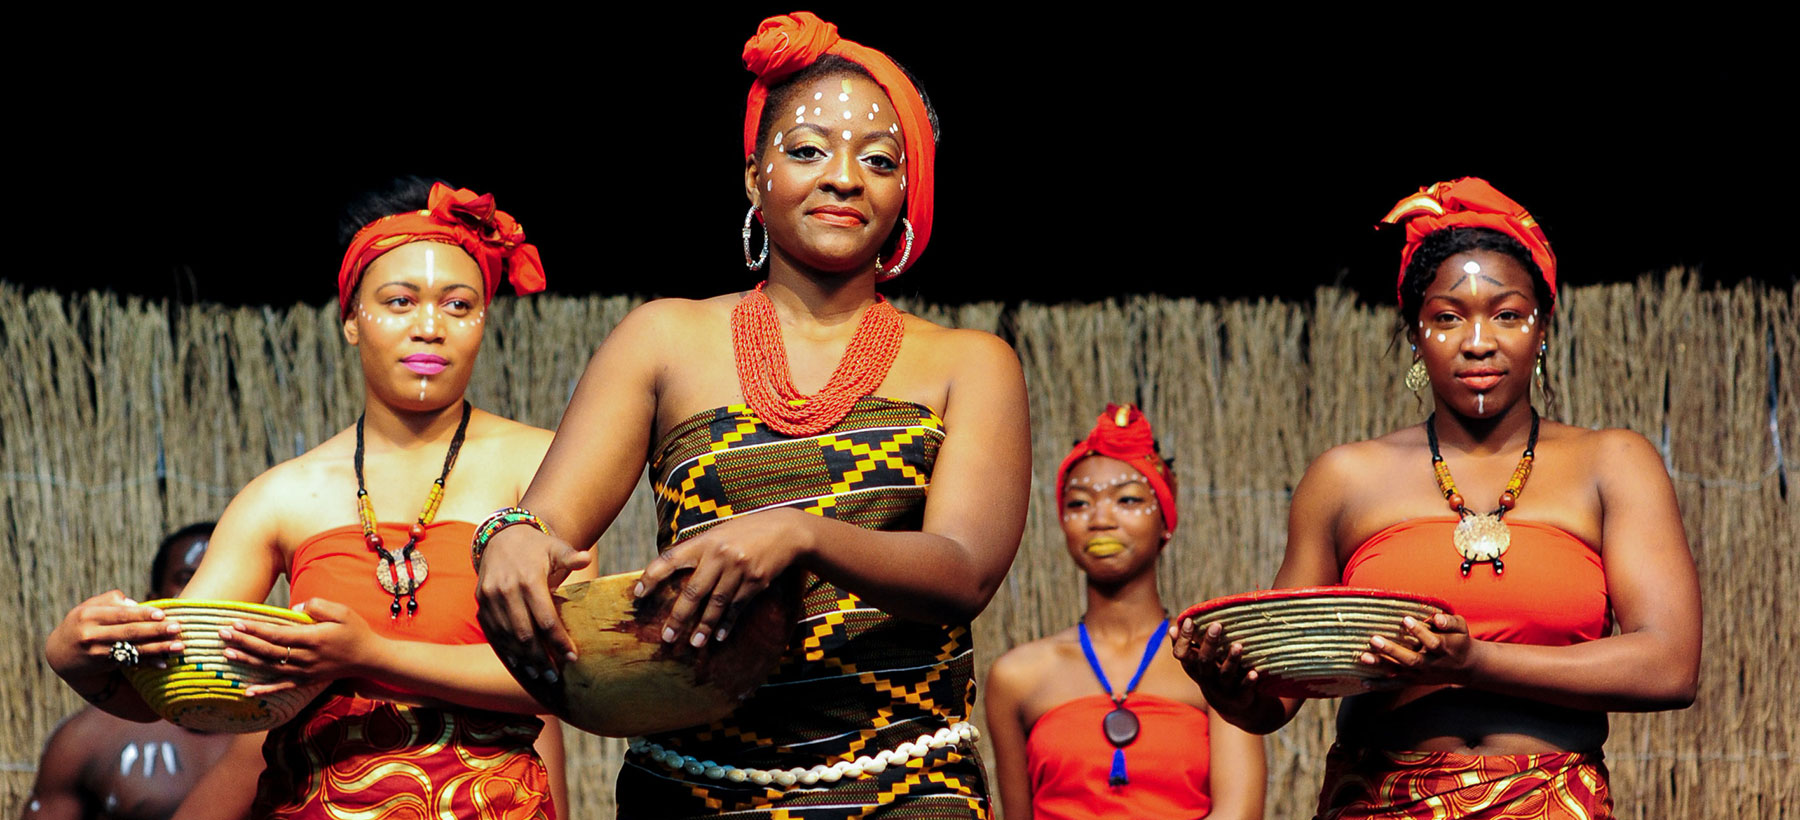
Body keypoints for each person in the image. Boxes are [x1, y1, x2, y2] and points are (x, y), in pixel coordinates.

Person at [472, 11, 1031, 819]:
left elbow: (963, 570)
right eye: (807, 150)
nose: (844, 177)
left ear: (908, 192)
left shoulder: (972, 363)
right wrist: (511, 539)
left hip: (905, 791)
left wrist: (798, 533)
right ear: (752, 178)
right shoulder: (662, 338)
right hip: (689, 792)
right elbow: (547, 520)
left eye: (878, 160)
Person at [43, 177, 585, 819]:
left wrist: (371, 655)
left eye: (459, 305)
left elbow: (566, 676)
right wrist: (87, 658)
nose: (430, 327)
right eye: (400, 301)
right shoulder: (283, 495)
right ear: (352, 319)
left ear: (483, 321)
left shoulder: (546, 467)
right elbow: (196, 689)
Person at [1174, 177, 1702, 819]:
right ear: (1416, 331)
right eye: (1448, 317)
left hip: (1551, 801)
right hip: (1377, 802)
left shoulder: (1614, 464)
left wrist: (1474, 661)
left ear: (1543, 327)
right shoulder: (1345, 478)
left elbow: (1670, 665)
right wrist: (1230, 688)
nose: (1478, 341)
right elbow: (1277, 701)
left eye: (1507, 314)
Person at [986, 405, 1264, 820]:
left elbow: (1239, 813)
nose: (1100, 519)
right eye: (1079, 504)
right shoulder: (1017, 678)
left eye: (1128, 499)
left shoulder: (1214, 662)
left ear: (1167, 520)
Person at [25, 524, 232, 820]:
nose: (208, 597)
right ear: (154, 599)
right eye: (188, 580)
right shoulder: (89, 738)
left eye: (232, 581)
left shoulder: (281, 724)